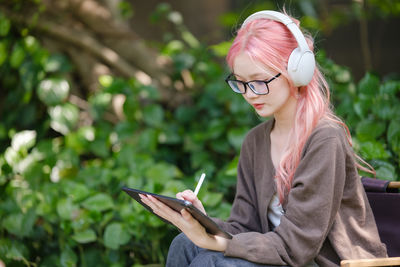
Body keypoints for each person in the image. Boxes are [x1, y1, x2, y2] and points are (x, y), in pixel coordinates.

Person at [139, 10, 387, 267]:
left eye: (259, 81)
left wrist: (214, 242)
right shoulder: (255, 142)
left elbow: (296, 247)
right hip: (276, 257)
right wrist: (204, 223)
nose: (249, 94)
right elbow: (244, 227)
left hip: (318, 261)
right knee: (184, 245)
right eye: (241, 83)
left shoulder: (324, 140)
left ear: (297, 71)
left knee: (214, 262)